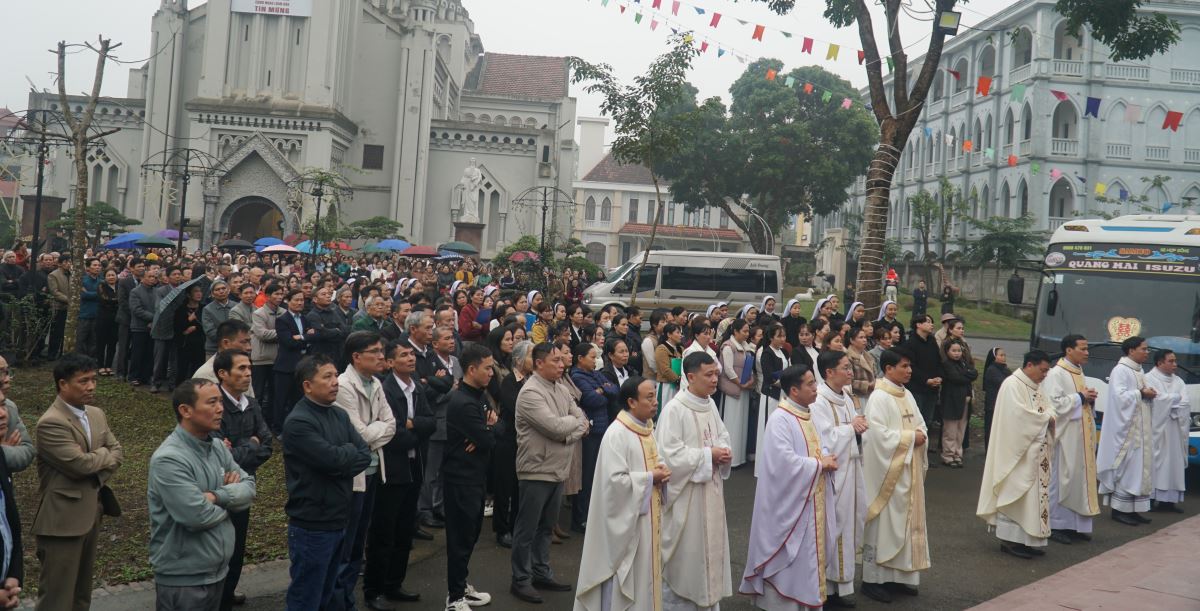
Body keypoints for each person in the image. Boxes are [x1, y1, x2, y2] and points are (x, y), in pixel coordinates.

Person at [149, 380, 256, 611]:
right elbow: (196, 515)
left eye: (220, 401)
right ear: (185, 411)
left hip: (217, 572)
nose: (220, 408)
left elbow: (249, 487)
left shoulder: (217, 447)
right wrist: (230, 497)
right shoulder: (169, 459)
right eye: (212, 402)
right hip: (185, 579)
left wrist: (217, 497)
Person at [740, 364, 837, 610]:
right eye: (810, 384)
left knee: (807, 556)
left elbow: (821, 444)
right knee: (790, 554)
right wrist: (818, 464)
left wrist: (825, 457)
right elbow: (782, 463)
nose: (816, 388)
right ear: (794, 390)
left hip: (809, 496)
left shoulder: (809, 413)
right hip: (789, 503)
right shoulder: (780, 419)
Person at [34, 354, 124, 611]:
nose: (91, 386)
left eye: (93, 380)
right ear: (63, 384)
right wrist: (103, 456)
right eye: (83, 381)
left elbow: (118, 452)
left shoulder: (96, 414)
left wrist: (97, 458)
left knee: (82, 594)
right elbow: (79, 465)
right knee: (57, 597)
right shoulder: (51, 422)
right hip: (62, 522)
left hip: (92, 512)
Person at [282, 354, 372, 611]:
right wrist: (344, 457)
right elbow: (333, 460)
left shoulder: (339, 415)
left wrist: (342, 458)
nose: (335, 382)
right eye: (327, 377)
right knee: (306, 596)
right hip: (313, 523)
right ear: (307, 385)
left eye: (336, 376)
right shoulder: (299, 422)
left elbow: (363, 454)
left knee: (329, 592)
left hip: (338, 516)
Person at [574, 377, 669, 611]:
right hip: (626, 527)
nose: (655, 402)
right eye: (649, 397)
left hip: (646, 518)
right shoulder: (617, 434)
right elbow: (614, 484)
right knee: (626, 581)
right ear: (631, 402)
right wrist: (650, 478)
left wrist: (661, 471)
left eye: (655, 396)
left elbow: (651, 464)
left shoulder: (647, 429)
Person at [510, 342, 589, 603]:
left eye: (561, 360)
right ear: (538, 363)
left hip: (558, 468)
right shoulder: (531, 392)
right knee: (527, 528)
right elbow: (555, 427)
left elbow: (582, 419)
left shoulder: (561, 388)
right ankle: (521, 580)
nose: (562, 364)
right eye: (555, 360)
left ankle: (541, 572)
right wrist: (572, 430)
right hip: (536, 469)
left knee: (546, 527)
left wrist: (571, 429)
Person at [655, 351, 733, 611]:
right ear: (690, 377)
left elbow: (721, 434)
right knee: (687, 557)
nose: (714, 380)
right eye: (708, 375)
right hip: (687, 497)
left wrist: (723, 450)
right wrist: (708, 455)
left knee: (710, 551)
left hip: (710, 490)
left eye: (716, 374)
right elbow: (669, 456)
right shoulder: (675, 410)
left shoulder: (709, 403)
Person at [366, 341, 436, 608]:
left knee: (405, 530)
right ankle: (374, 589)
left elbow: (430, 422)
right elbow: (392, 434)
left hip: (414, 467)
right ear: (390, 363)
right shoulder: (386, 390)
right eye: (403, 355)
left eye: (411, 354)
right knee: (384, 532)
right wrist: (413, 432)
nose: (410, 358)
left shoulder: (416, 387)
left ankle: (395, 583)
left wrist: (413, 425)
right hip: (392, 470)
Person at [332, 331, 397, 610]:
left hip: (373, 469)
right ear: (357, 357)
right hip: (354, 476)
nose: (382, 357)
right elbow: (357, 434)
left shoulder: (376, 383)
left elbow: (391, 423)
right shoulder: (344, 386)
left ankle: (348, 599)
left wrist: (374, 434)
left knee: (360, 542)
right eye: (375, 352)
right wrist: (375, 433)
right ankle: (340, 601)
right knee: (347, 544)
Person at [859, 349, 929, 604]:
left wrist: (919, 434)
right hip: (887, 475)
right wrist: (912, 438)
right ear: (888, 369)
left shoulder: (907, 394)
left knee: (905, 523)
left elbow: (920, 423)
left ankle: (901, 576)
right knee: (884, 525)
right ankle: (874, 579)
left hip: (907, 470)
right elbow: (876, 437)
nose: (909, 370)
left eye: (910, 366)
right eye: (904, 366)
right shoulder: (879, 397)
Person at [976, 350, 1055, 560]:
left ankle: (1027, 540)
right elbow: (1017, 418)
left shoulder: (1037, 386)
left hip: (1036, 453)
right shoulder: (1012, 385)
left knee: (1031, 500)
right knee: (1017, 495)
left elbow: (1049, 409)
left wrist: (1049, 416)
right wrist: (1045, 418)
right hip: (1017, 455)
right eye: (1043, 370)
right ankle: (1010, 540)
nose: (1045, 375)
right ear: (1030, 365)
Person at [213, 349, 273, 611]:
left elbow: (268, 444)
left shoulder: (251, 403)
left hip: (244, 485)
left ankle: (227, 594)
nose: (248, 373)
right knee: (217, 548)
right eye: (241, 368)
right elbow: (217, 454)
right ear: (222, 374)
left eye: (249, 368)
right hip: (217, 489)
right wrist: (251, 444)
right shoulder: (212, 404)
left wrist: (239, 449)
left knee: (237, 546)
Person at [442, 343, 499, 611]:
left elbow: (492, 431)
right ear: (472, 369)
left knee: (471, 534)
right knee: (460, 538)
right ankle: (454, 598)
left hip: (476, 476)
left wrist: (486, 430)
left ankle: (461, 585)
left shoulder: (479, 395)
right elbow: (488, 439)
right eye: (488, 368)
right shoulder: (462, 401)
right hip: (460, 479)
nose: (492, 373)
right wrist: (486, 431)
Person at [811, 351, 868, 606]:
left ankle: (843, 586)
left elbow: (851, 428)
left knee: (852, 521)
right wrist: (851, 428)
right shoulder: (819, 401)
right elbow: (822, 439)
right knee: (835, 525)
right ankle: (829, 587)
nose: (850, 372)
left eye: (850, 367)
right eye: (845, 368)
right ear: (829, 372)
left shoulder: (845, 395)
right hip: (834, 473)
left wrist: (857, 427)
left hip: (851, 469)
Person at [1041, 335, 1100, 541]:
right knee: (1061, 479)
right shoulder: (1056, 373)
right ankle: (1057, 525)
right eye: (1082, 349)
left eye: (1087, 349)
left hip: (1080, 436)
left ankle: (1075, 525)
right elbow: (1054, 404)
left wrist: (1088, 399)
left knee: (1078, 480)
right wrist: (1081, 397)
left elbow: (1078, 399)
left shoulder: (1078, 370)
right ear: (1068, 350)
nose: (1087, 352)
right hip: (1065, 437)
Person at [1097, 336, 1156, 526]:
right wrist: (1141, 393)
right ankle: (1119, 510)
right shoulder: (1120, 370)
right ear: (1131, 351)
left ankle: (1133, 508)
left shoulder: (1139, 370)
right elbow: (1119, 397)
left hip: (1139, 426)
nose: (1147, 352)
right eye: (1144, 349)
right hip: (1126, 430)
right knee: (1126, 468)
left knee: (1139, 468)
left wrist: (1148, 394)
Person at [568, 342, 617, 536]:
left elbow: (614, 390)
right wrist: (603, 391)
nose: (595, 360)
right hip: (590, 432)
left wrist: (603, 390)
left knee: (597, 475)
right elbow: (591, 399)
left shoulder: (595, 374)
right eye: (591, 356)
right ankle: (580, 519)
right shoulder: (578, 376)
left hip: (602, 428)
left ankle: (591, 514)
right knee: (586, 477)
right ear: (580, 359)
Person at [1146, 350, 1189, 513]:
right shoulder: (1149, 378)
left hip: (1175, 428)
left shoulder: (1178, 381)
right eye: (1171, 361)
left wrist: (1171, 400)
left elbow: (1185, 402)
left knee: (1173, 464)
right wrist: (1173, 399)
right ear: (1159, 363)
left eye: (1175, 361)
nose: (1175, 365)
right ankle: (1150, 499)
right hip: (1156, 428)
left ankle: (1168, 502)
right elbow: (1154, 400)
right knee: (1154, 463)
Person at [274, 289, 314, 432]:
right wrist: (305, 337)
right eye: (296, 300)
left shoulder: (305, 318)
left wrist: (300, 337)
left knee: (298, 399)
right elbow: (289, 342)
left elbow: (313, 336)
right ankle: (278, 429)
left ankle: (296, 426)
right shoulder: (282, 320)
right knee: (281, 400)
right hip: (286, 366)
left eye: (301, 300)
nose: (299, 302)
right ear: (288, 301)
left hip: (302, 365)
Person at [717, 319, 754, 467]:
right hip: (732, 390)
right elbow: (728, 369)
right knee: (731, 423)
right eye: (744, 331)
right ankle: (728, 459)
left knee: (741, 423)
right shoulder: (728, 346)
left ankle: (739, 458)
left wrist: (749, 381)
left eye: (748, 331)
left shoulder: (746, 347)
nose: (747, 334)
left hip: (742, 389)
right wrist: (740, 383)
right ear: (735, 331)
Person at [754, 323, 789, 474]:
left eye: (784, 336)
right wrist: (785, 382)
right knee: (769, 427)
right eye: (779, 336)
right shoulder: (766, 353)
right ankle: (765, 466)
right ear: (771, 337)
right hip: (771, 394)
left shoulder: (784, 352)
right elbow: (768, 377)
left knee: (781, 430)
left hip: (784, 394)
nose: (782, 339)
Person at [939, 339, 977, 468]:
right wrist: (967, 374)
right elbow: (955, 378)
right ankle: (948, 455)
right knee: (950, 430)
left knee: (961, 429)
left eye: (959, 351)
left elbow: (974, 373)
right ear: (947, 351)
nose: (957, 353)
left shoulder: (963, 363)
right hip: (951, 400)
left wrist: (966, 374)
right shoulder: (946, 364)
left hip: (964, 400)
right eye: (953, 351)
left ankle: (957, 454)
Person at [901, 314, 942, 432]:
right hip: (917, 388)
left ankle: (925, 447)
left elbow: (938, 361)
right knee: (916, 420)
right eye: (928, 322)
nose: (932, 324)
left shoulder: (932, 341)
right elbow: (911, 366)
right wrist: (926, 380)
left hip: (933, 388)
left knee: (928, 421)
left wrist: (939, 377)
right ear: (918, 325)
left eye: (932, 322)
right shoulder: (910, 344)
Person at [129, 267, 162, 386]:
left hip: (153, 327)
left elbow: (159, 307)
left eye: (155, 277)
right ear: (142, 278)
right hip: (139, 327)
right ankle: (133, 376)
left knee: (149, 353)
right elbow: (137, 310)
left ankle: (146, 376)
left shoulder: (157, 291)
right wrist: (153, 317)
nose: (153, 279)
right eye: (150, 277)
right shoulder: (135, 292)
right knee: (138, 353)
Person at [174, 284, 208, 387]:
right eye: (195, 291)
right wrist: (188, 320)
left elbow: (207, 324)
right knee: (183, 367)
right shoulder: (181, 309)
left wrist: (195, 327)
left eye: (200, 291)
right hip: (185, 343)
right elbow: (177, 327)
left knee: (198, 367)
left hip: (201, 342)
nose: (199, 294)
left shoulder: (204, 308)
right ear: (189, 295)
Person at [982, 348, 1011, 451]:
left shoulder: (1005, 369)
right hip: (993, 404)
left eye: (1004, 355)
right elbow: (1003, 383)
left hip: (1003, 404)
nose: (1004, 357)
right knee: (991, 430)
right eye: (1001, 355)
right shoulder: (992, 370)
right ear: (994, 357)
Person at [202, 280, 234, 358]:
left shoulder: (236, 306)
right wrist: (229, 339)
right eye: (217, 290)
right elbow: (210, 331)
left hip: (234, 348)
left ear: (228, 290)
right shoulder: (207, 309)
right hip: (214, 350)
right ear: (212, 294)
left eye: (223, 288)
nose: (221, 291)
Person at [654, 324, 683, 409]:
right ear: (669, 334)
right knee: (664, 409)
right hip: (666, 385)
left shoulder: (680, 348)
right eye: (677, 332)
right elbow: (665, 369)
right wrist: (678, 380)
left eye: (680, 333)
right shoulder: (661, 349)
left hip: (678, 385)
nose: (680, 335)